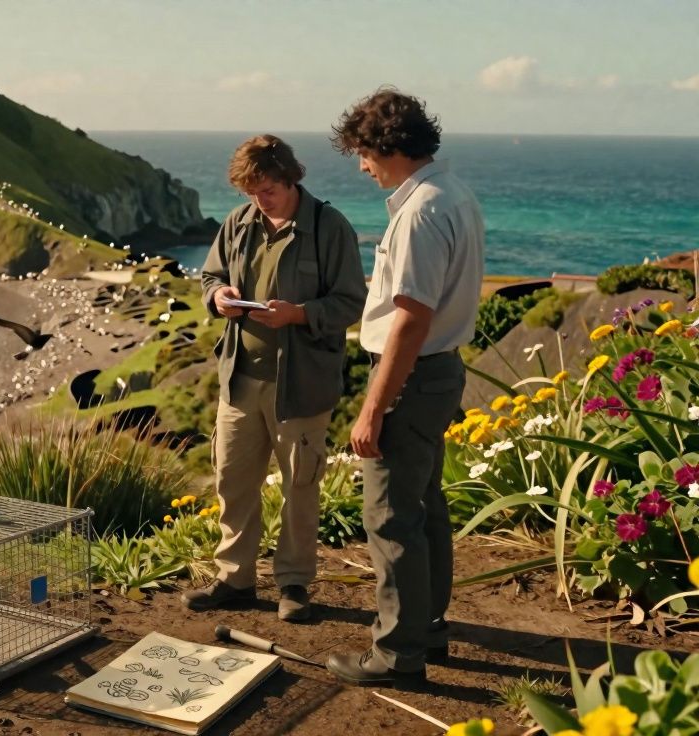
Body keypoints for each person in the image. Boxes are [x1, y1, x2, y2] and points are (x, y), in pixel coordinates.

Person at [324, 89, 485, 685]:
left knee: (391, 516)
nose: (361, 166)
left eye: (362, 154)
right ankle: (428, 627)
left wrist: (372, 408)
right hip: (440, 371)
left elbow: (411, 320)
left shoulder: (419, 211)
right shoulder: (455, 193)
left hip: (412, 375)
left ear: (383, 146)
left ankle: (397, 655)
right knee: (424, 506)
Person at [184, 134, 367, 621]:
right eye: (251, 192)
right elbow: (209, 277)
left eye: (267, 190)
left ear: (290, 178)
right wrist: (218, 296)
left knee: (299, 488)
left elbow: (351, 301)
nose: (258, 200)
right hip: (240, 377)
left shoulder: (330, 227)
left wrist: (299, 315)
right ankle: (235, 579)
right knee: (233, 481)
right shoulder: (239, 222)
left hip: (302, 386)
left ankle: (293, 584)